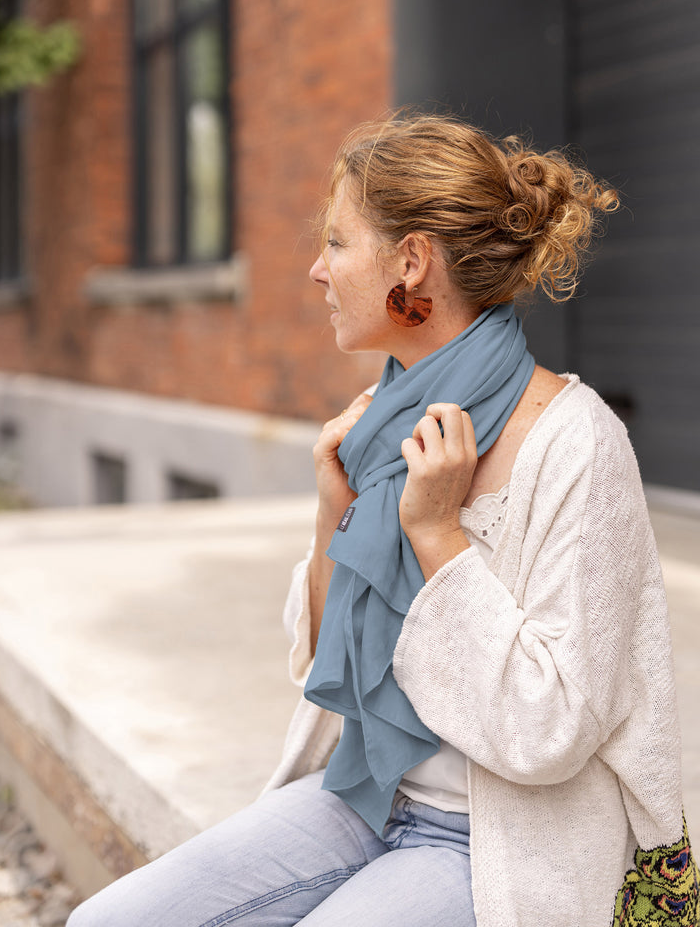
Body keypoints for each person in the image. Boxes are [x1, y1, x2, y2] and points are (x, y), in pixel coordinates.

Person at [67, 113, 698, 927]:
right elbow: (325, 670)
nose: (314, 271)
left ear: (411, 262)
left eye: (336, 243)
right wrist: (335, 509)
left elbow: (552, 731)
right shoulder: (380, 423)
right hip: (365, 792)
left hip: (499, 835)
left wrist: (439, 537)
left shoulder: (576, 443)